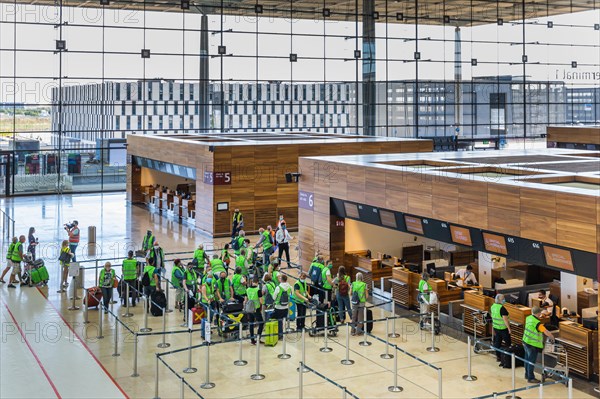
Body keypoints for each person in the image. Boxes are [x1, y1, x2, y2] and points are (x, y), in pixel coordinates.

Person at [523, 306, 555, 383]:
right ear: (538, 313)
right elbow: (545, 331)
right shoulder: (537, 323)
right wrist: (552, 337)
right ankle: (530, 378)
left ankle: (527, 374)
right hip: (532, 344)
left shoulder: (528, 318)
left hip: (525, 341)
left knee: (527, 359)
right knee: (531, 361)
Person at [491, 294, 512, 362]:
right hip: (503, 329)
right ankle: (507, 358)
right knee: (508, 343)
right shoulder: (502, 308)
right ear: (499, 300)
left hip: (496, 327)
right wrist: (509, 329)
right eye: (503, 299)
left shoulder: (493, 306)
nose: (504, 300)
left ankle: (498, 357)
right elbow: (505, 320)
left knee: (497, 342)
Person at [272, 274, 293, 339]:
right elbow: (291, 295)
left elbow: (274, 297)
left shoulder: (278, 287)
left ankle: (279, 334)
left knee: (278, 320)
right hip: (286, 306)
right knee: (283, 320)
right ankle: (282, 332)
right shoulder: (290, 287)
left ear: (281, 280)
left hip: (278, 307)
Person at [245, 277, 264, 345]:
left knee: (251, 324)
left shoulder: (247, 289)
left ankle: (252, 340)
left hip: (249, 309)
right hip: (256, 309)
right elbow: (261, 300)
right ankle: (258, 338)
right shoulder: (258, 290)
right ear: (257, 282)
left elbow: (245, 300)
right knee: (261, 323)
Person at [200, 274, 218, 339]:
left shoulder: (212, 284)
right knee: (207, 316)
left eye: (211, 278)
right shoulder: (204, 285)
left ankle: (209, 329)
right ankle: (206, 331)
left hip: (212, 301)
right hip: (206, 303)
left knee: (211, 316)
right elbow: (204, 294)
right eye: (209, 278)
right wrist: (207, 300)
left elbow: (214, 292)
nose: (210, 279)